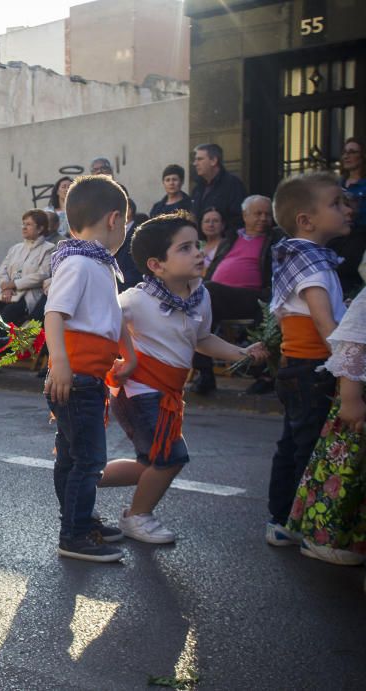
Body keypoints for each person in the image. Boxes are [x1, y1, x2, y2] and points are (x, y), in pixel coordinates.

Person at [100, 213, 266, 543]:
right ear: (157, 265)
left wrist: (242, 353)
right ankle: (137, 516)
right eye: (186, 247)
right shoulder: (137, 298)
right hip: (140, 391)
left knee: (150, 462)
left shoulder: (200, 296)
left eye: (198, 245)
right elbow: (105, 319)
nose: (198, 252)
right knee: (171, 458)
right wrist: (127, 357)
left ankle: (84, 474)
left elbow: (202, 339)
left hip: (169, 392)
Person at [43, 174, 136, 562]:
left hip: (88, 377)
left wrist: (127, 355)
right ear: (114, 219)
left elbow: (112, 317)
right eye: (126, 223)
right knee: (88, 461)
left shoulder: (100, 264)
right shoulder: (80, 262)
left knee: (72, 456)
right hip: (76, 377)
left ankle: (79, 519)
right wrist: (60, 366)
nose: (125, 230)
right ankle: (75, 533)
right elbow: (54, 314)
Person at [264, 171, 352, 547]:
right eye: (337, 203)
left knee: (292, 443)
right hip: (311, 370)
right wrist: (351, 364)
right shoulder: (311, 264)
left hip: (296, 370)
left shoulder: (301, 257)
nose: (348, 209)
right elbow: (324, 322)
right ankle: (300, 522)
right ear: (306, 219)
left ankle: (281, 517)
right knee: (309, 448)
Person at [286, 287, 366, 566]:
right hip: (358, 405)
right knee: (346, 473)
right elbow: (355, 339)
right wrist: (351, 397)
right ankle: (326, 539)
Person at [191, 195, 285, 394]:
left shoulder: (274, 239)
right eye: (258, 213)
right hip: (221, 296)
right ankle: (204, 373)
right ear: (245, 215)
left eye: (268, 214)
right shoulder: (232, 237)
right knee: (194, 304)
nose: (263, 218)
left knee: (207, 291)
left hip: (255, 296)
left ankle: (263, 375)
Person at [0, 209, 55, 371]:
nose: (24, 227)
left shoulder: (49, 249)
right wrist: (6, 286)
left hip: (30, 295)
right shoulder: (16, 248)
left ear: (41, 228)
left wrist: (14, 285)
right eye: (23, 224)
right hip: (7, 293)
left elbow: (42, 274)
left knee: (6, 315)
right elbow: (2, 270)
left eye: (29, 224)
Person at [190, 143, 246, 233]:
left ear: (213, 161)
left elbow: (238, 219)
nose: (195, 163)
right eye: (195, 160)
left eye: (199, 159)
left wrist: (224, 242)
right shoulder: (197, 189)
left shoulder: (232, 184)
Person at [334, 136, 366, 293]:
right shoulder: (337, 183)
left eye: (352, 152)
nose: (346, 156)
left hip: (360, 236)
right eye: (344, 152)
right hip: (338, 236)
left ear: (362, 155)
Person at [115, 198, 145, 292]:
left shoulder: (139, 232)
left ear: (129, 210)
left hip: (130, 282)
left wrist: (126, 277)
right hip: (116, 281)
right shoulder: (115, 229)